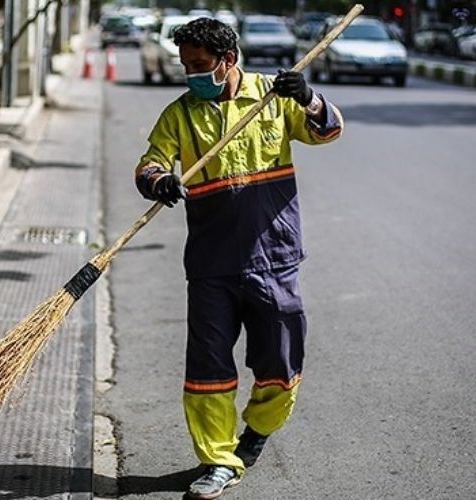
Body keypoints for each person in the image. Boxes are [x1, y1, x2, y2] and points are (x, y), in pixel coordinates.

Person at [133, 17, 343, 500]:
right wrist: (158, 180)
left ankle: (258, 430)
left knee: (281, 359)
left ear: (228, 60)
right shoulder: (180, 115)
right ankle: (217, 460)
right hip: (211, 263)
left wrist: (308, 98)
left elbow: (327, 131)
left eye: (201, 65)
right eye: (187, 66)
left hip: (275, 256)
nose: (192, 75)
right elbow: (151, 162)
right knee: (208, 368)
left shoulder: (273, 98)